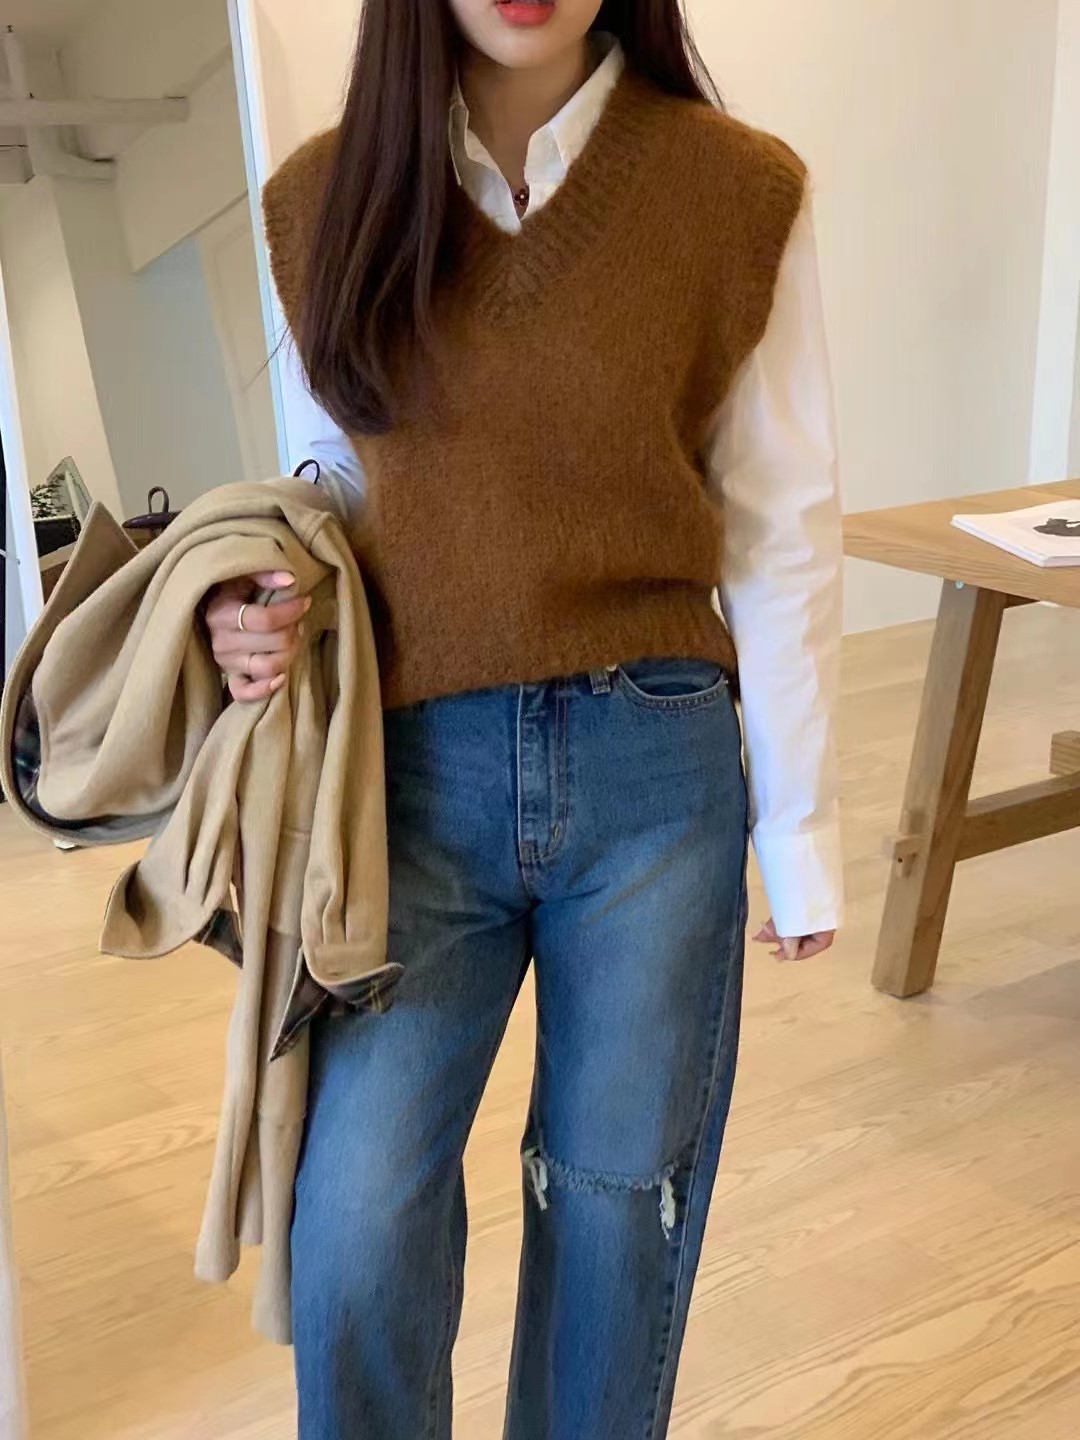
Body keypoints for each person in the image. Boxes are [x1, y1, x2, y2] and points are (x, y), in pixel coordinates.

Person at [205, 0, 843, 1434]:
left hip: (655, 771)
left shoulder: (739, 190)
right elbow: (337, 473)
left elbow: (782, 521)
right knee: (357, 1214)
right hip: (414, 783)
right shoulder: (321, 197)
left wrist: (800, 828)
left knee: (616, 1210)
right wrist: (258, 584)